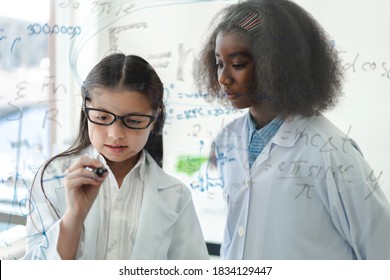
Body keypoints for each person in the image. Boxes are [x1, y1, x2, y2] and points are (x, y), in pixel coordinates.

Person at [194, 0, 390, 259]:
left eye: (238, 64)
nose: (223, 78)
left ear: (276, 65)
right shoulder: (226, 140)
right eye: (219, 63)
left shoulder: (331, 152)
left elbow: (381, 250)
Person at [24, 53, 209, 260]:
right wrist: (73, 217)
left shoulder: (176, 196)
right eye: (102, 117)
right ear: (86, 109)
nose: (115, 134)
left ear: (155, 118)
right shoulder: (50, 178)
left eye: (134, 121)